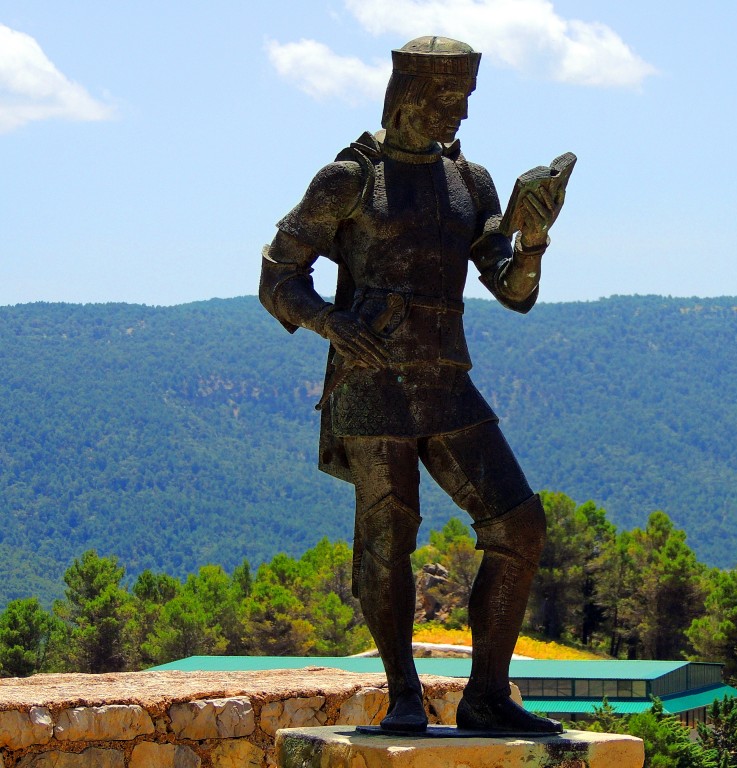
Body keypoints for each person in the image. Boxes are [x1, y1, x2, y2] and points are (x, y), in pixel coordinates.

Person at [259, 36, 565, 733]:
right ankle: (402, 691)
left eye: (462, 101)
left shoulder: (473, 184)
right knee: (386, 538)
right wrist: (330, 324)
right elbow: (277, 275)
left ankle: (487, 695)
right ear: (402, 97)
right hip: (372, 385)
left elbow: (512, 291)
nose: (454, 114)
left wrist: (536, 239)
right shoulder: (348, 178)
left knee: (519, 523)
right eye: (440, 100)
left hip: (447, 381)